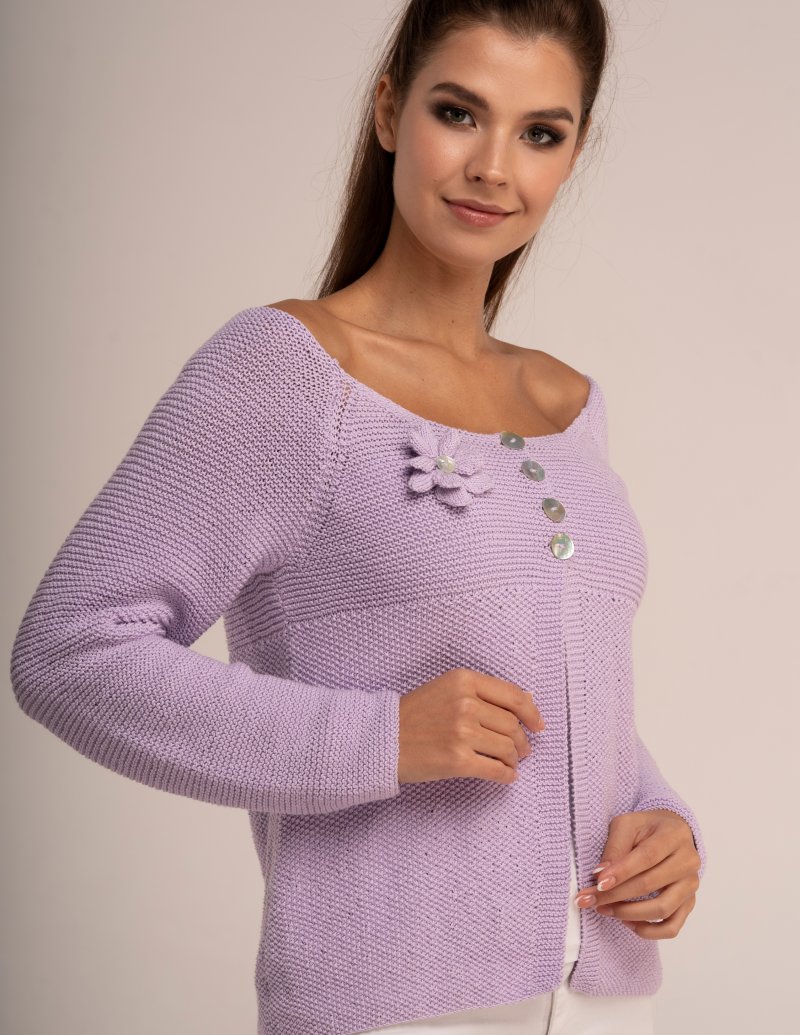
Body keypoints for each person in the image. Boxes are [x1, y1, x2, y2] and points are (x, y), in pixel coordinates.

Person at [9, 1, 707, 1033]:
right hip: (392, 1007)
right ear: (389, 111)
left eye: (539, 132)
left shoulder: (569, 403)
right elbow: (70, 650)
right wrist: (379, 737)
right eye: (458, 113)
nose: (492, 168)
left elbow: (559, 683)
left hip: (595, 1001)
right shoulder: (288, 372)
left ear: (573, 153)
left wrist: (661, 821)